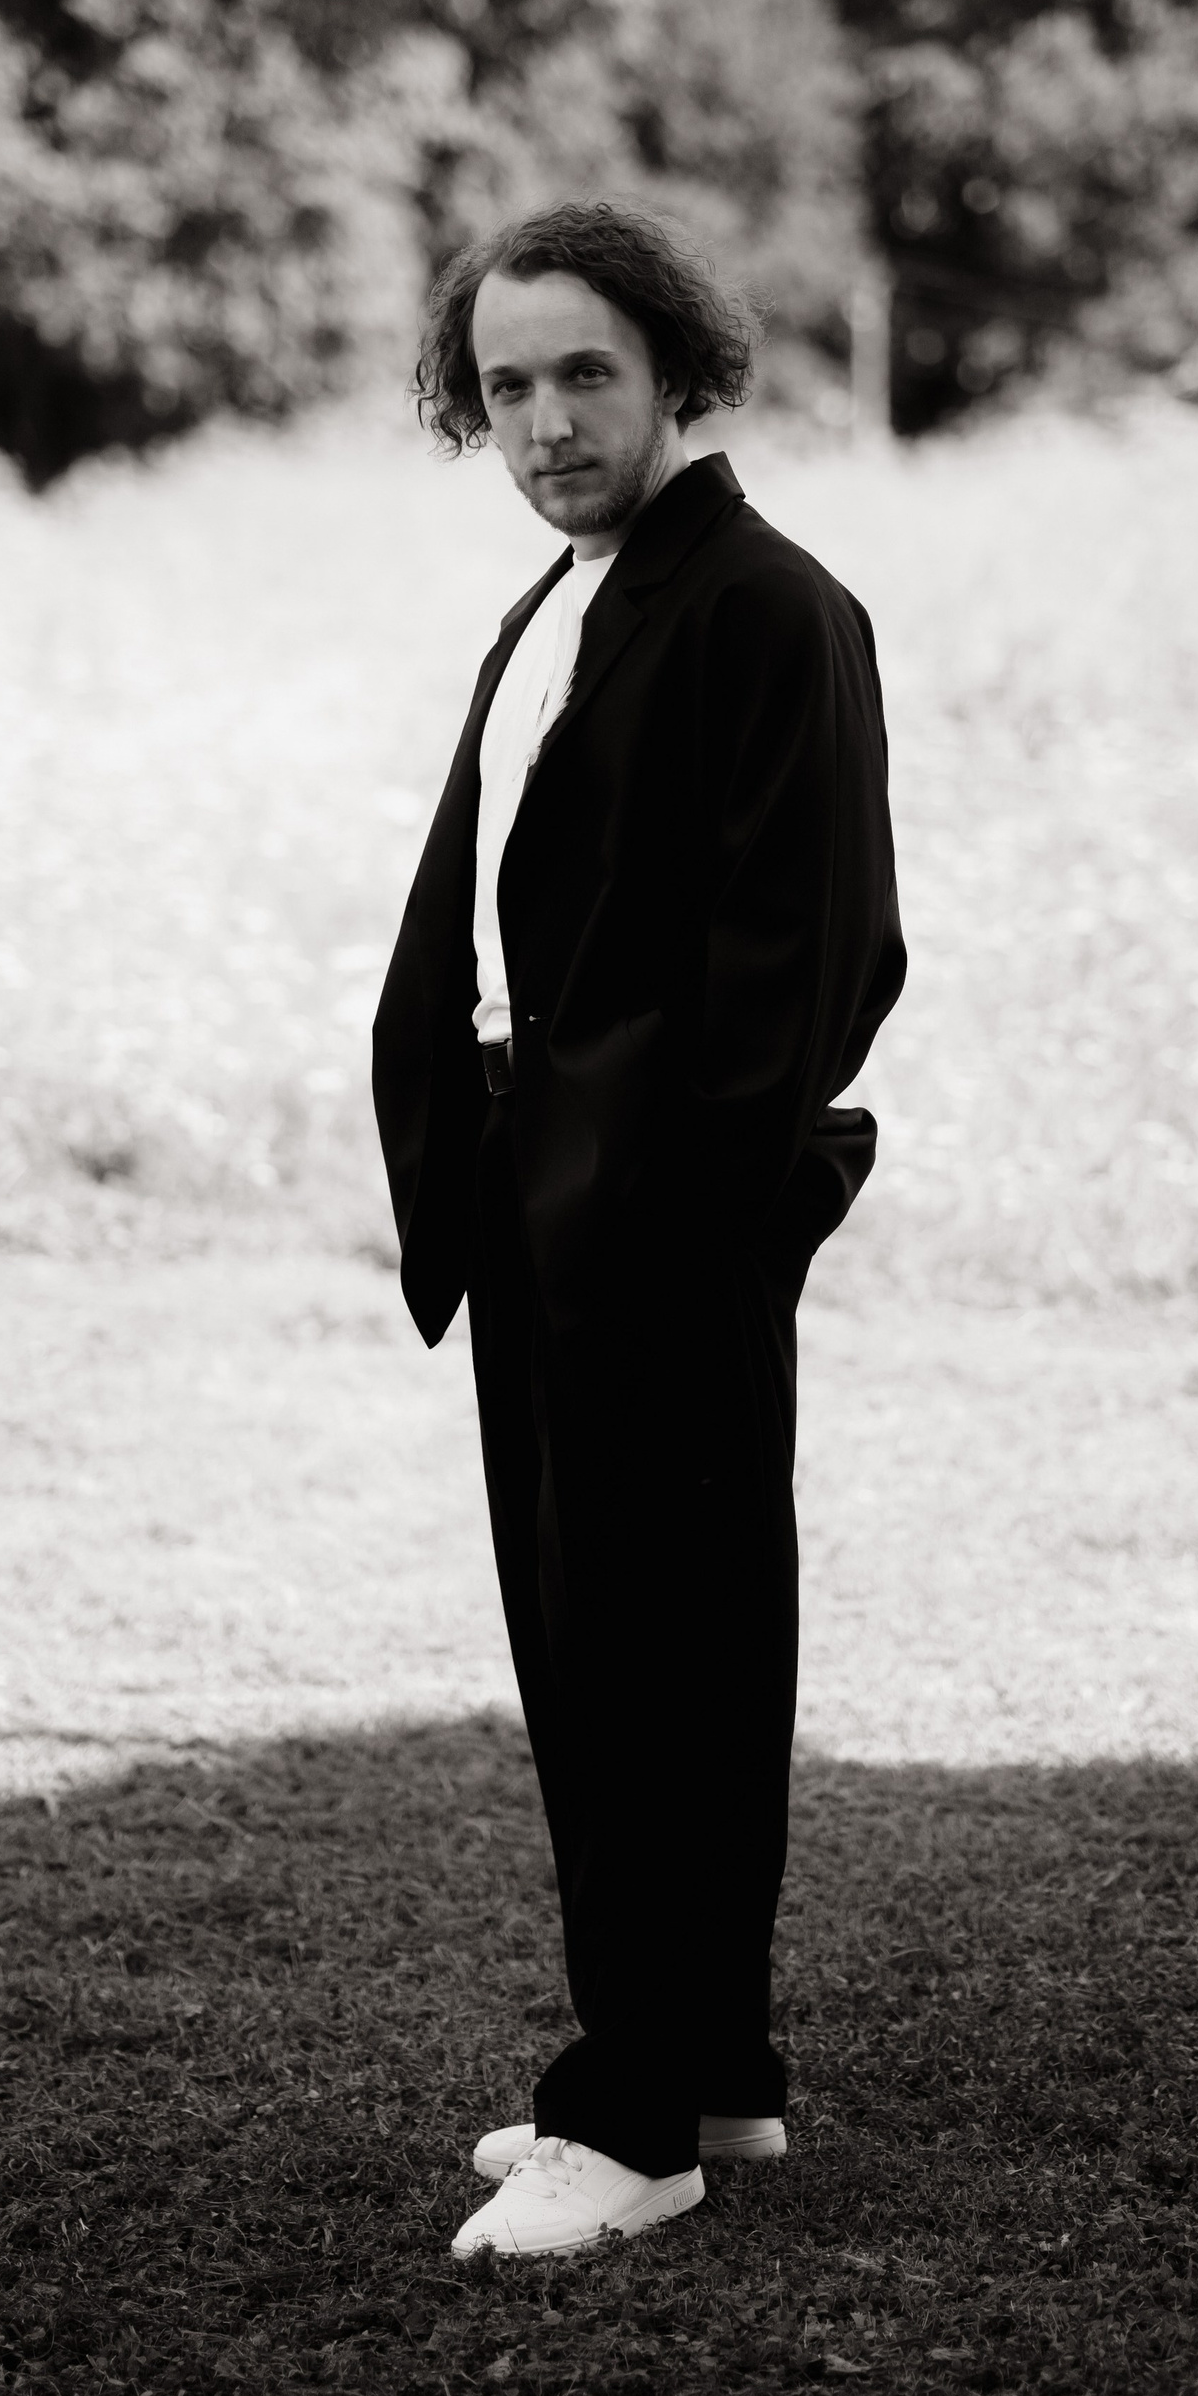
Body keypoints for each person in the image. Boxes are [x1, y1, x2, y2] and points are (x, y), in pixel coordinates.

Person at [372, 202, 905, 2257]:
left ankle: (632, 2126)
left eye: (585, 373)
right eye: (504, 385)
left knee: (658, 1664)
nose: (544, 422)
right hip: (551, 1197)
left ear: (676, 368)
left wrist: (665, 1206)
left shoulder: (770, 609)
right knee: (618, 1653)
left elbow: (815, 958)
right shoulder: (565, 602)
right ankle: (710, 2072)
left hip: (656, 1211)